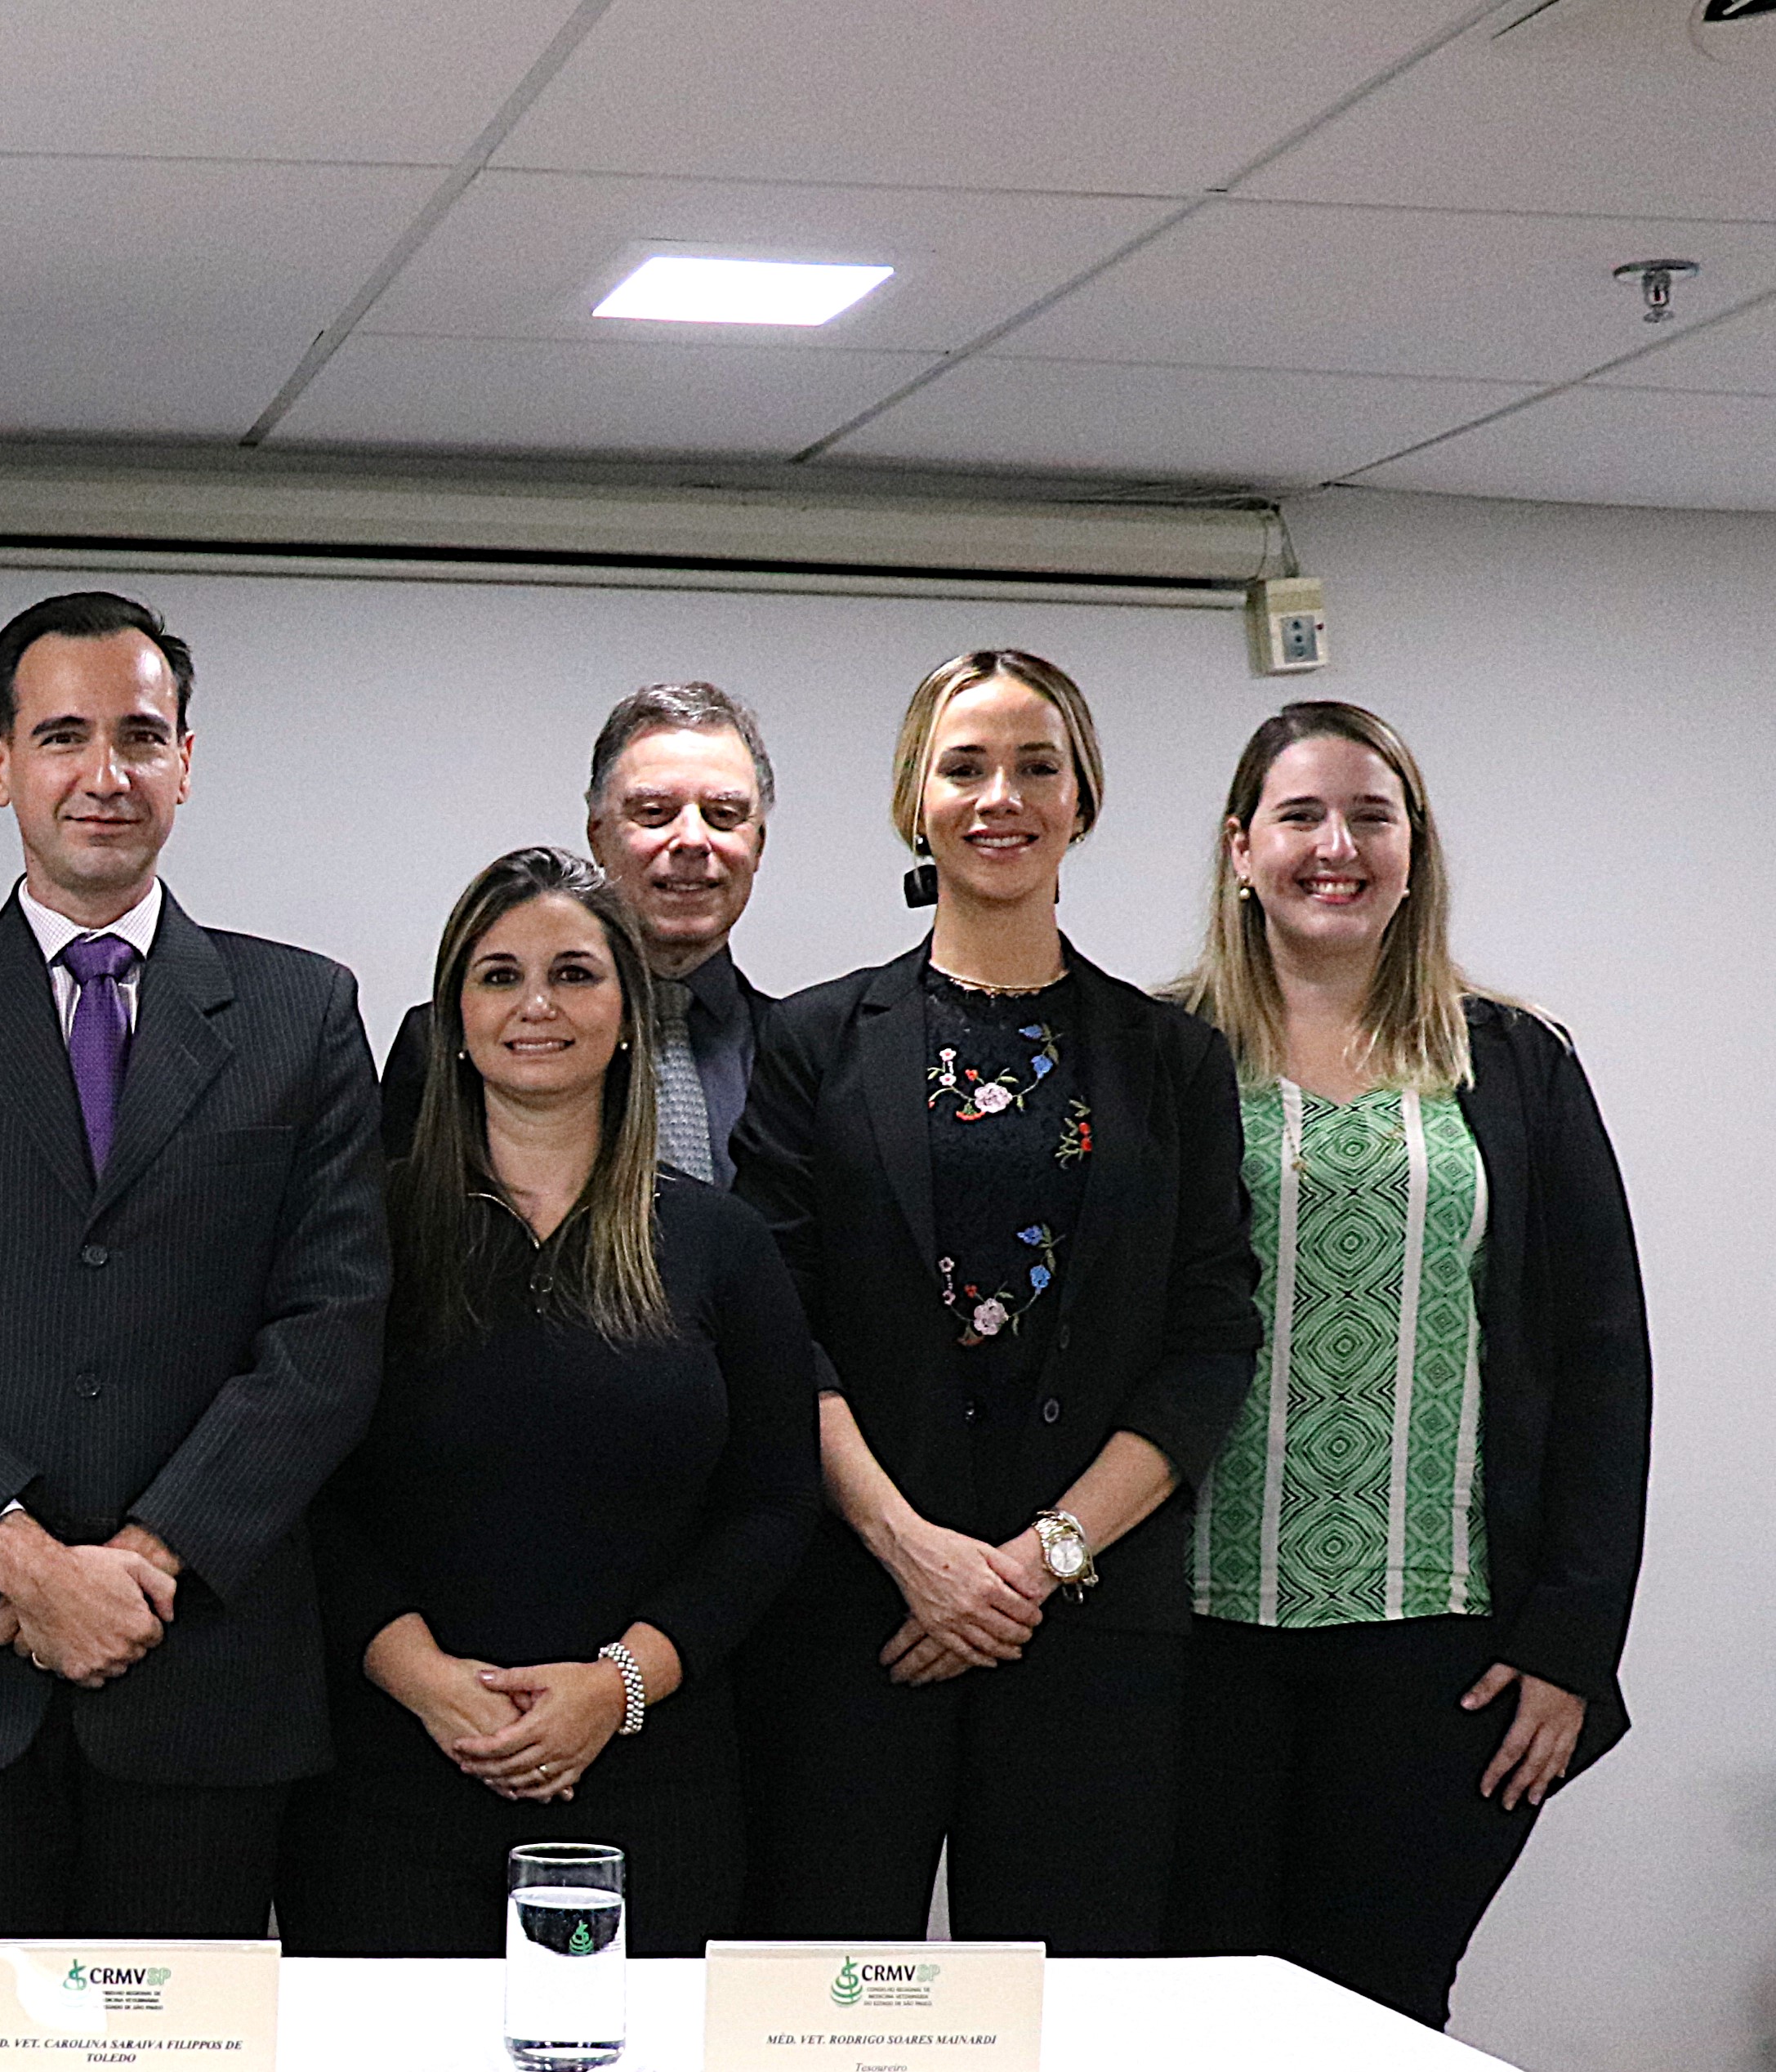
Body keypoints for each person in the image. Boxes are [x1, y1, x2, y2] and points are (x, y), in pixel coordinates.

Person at [0, 590, 390, 1945]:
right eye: (61, 735)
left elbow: (328, 1329)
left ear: (186, 760)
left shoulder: (301, 1013)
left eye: (139, 734)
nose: (103, 773)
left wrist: (146, 1555)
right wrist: (20, 1556)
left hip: (202, 1675)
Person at [729, 647, 1256, 1954]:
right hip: (858, 1610)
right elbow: (770, 1327)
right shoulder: (809, 1042)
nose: (998, 796)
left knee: (1084, 2039)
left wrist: (1036, 1563)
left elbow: (1207, 1342)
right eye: (962, 767)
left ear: (1082, 800)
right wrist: (914, 1552)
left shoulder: (1172, 1062)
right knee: (820, 2009)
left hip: (1085, 1623)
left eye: (1036, 766)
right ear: (914, 798)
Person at [1162, 703, 1649, 2025]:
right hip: (1189, 1638)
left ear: (1413, 848)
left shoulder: (1514, 1061)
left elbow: (1603, 1356)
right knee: (1189, 2028)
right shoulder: (1159, 1055)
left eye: (1370, 816)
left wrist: (1570, 1641)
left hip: (1439, 1648)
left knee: (1378, 2024)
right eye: (1302, 816)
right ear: (1239, 848)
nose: (1337, 845)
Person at [280, 850, 816, 1958]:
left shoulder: (720, 1244)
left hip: (648, 1780)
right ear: (452, 1018)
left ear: (626, 1011)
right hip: (386, 1782)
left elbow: (770, 1508)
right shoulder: (356, 1238)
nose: (535, 1006)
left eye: (573, 974)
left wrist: (615, 1688)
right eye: (496, 976)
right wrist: (422, 1680)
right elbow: (296, 1489)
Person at [384, 679, 776, 1186]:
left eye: (723, 815)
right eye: (654, 813)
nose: (693, 840)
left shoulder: (806, 1055)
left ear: (758, 844)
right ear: (598, 835)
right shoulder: (455, 1040)